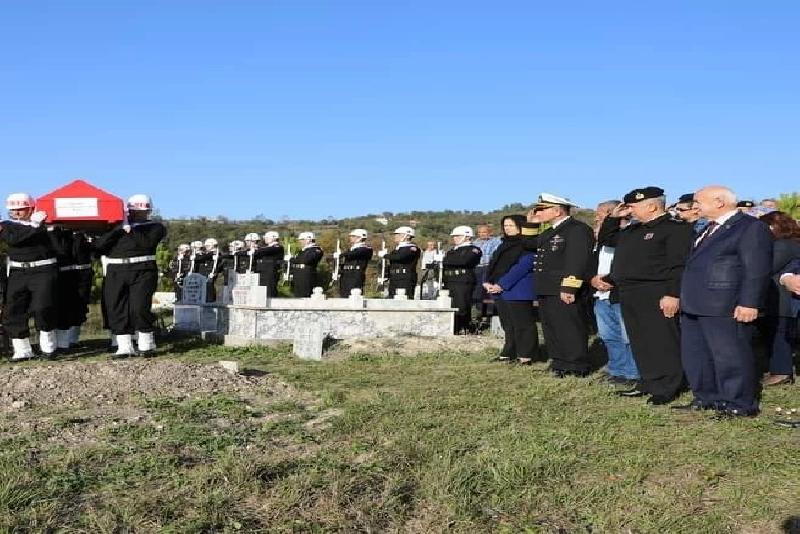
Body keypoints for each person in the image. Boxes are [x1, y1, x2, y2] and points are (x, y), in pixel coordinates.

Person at [678, 186, 773, 417]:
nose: (695, 206)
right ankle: (707, 397)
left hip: (725, 304)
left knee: (730, 357)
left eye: (698, 201)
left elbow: (756, 269)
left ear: (719, 201)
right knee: (697, 355)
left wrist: (750, 302)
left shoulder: (749, 227)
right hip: (695, 303)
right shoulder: (706, 228)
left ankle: (738, 403)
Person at [599, 187, 692, 405]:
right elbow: (607, 239)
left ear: (651, 206)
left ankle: (668, 385)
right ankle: (649, 380)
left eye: (633, 206)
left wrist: (672, 294)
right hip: (629, 293)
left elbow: (678, 265)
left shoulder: (674, 229)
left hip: (656, 292)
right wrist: (614, 218)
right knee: (640, 341)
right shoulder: (632, 230)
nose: (629, 210)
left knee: (661, 341)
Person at [521, 193, 594, 377]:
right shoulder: (550, 231)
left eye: (541, 209)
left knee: (569, 327)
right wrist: (531, 224)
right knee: (552, 327)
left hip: (563, 287)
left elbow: (577, 260)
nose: (538, 212)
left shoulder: (576, 229)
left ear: (557, 210)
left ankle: (576, 365)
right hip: (547, 287)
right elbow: (529, 244)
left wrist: (569, 287)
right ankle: (560, 362)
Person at [93, 194, 166, 357]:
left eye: (141, 211)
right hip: (116, 271)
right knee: (116, 307)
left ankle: (146, 344)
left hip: (143, 270)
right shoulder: (115, 228)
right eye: (134, 211)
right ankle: (124, 346)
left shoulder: (155, 227)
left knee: (139, 307)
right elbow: (98, 247)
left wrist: (130, 229)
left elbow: (146, 244)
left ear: (148, 211)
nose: (137, 214)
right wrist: (117, 229)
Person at [0, 193, 60, 360]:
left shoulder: (44, 225)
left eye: (21, 209)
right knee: (14, 310)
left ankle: (48, 348)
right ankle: (23, 350)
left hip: (43, 270)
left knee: (42, 307)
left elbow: (59, 247)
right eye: (13, 210)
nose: (16, 212)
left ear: (31, 208)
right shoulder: (7, 226)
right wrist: (34, 225)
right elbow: (14, 239)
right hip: (18, 272)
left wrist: (49, 228)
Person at [590, 200, 640, 385]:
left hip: (620, 293)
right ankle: (617, 370)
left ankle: (633, 373)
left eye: (601, 213)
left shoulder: (632, 233)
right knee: (609, 336)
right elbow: (592, 262)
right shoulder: (602, 236)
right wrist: (592, 280)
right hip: (601, 294)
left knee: (628, 337)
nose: (596, 217)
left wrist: (611, 280)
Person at [484, 215, 539, 363]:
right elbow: (493, 264)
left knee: (523, 324)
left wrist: (502, 284)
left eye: (511, 225)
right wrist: (487, 281)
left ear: (520, 226)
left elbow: (523, 267)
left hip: (517, 290)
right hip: (499, 291)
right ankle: (509, 352)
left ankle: (526, 355)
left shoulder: (528, 244)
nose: (507, 228)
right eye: (505, 226)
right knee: (508, 325)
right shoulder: (504, 244)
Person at [757, 211, 800, 386]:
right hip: (781, 297)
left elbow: (767, 267)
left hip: (782, 299)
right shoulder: (790, 243)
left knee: (779, 334)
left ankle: (781, 372)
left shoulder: (784, 245)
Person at [442, 226, 482, 333]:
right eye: (454, 236)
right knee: (450, 304)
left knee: (462, 305)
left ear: (467, 237)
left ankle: (464, 327)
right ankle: (453, 328)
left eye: (458, 236)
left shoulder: (473, 249)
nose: (455, 238)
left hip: (463, 280)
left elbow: (464, 261)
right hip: (450, 279)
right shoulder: (452, 250)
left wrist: (445, 260)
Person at [473, 224, 502, 327]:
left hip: (489, 267)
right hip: (477, 267)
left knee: (489, 291)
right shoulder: (475, 243)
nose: (482, 234)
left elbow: (496, 254)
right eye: (480, 232)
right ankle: (479, 313)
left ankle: (490, 314)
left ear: (490, 232)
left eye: (484, 232)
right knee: (477, 291)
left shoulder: (496, 241)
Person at [380, 226, 420, 298]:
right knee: (392, 297)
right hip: (394, 277)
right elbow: (393, 263)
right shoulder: (397, 249)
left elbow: (400, 257)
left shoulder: (412, 248)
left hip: (405, 277)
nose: (396, 236)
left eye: (398, 234)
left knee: (404, 297)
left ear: (407, 236)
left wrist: (385, 255)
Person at [336, 229, 373, 297]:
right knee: (344, 296)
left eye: (353, 236)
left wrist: (341, 254)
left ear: (360, 238)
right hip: (345, 275)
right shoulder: (351, 249)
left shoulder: (366, 249)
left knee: (354, 295)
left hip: (356, 275)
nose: (351, 238)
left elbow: (355, 253)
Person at [289, 231, 323, 297]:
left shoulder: (316, 250)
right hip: (298, 277)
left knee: (305, 296)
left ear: (308, 240)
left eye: (302, 239)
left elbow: (306, 260)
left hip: (307, 277)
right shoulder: (302, 251)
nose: (300, 241)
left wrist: (292, 259)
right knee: (298, 297)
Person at [253, 231, 284, 297]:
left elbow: (267, 250)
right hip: (263, 272)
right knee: (262, 292)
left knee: (270, 291)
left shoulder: (277, 247)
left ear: (274, 238)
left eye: (267, 237)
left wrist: (257, 249)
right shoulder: (266, 248)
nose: (265, 239)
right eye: (265, 237)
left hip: (270, 273)